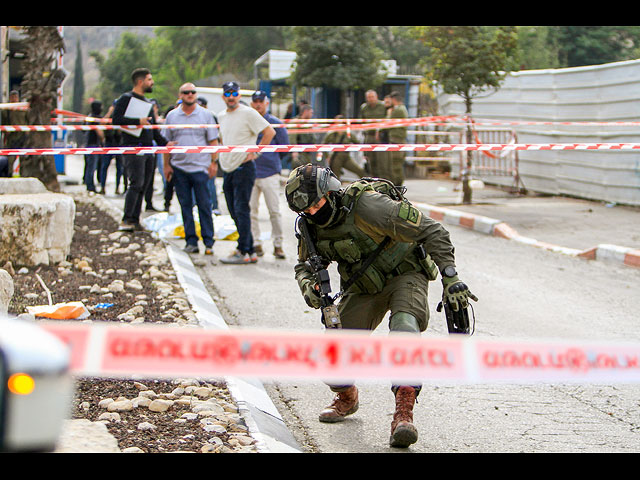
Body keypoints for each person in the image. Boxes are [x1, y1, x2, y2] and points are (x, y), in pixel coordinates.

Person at [284, 163, 477, 448]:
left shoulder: (368, 205)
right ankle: (347, 397)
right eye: (306, 210)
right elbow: (304, 266)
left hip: (405, 273)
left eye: (317, 204)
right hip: (364, 287)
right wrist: (309, 286)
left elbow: (432, 230)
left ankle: (403, 414)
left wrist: (451, 278)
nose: (314, 212)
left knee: (404, 330)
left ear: (331, 191)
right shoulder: (310, 226)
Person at [217, 81, 275, 265]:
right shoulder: (221, 116)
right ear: (223, 96)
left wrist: (256, 152)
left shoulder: (248, 112)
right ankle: (249, 249)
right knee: (234, 210)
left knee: (242, 209)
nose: (231, 97)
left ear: (239, 95)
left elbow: (269, 132)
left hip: (244, 168)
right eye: (228, 94)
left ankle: (243, 250)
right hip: (227, 168)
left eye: (234, 93)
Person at [112, 68, 171, 231]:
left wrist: (165, 143)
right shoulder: (126, 99)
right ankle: (127, 219)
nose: (152, 83)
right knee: (136, 183)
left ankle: (135, 219)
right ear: (140, 81)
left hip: (148, 148)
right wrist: (137, 121)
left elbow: (152, 128)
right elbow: (116, 120)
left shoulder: (147, 103)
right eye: (149, 79)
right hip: (132, 147)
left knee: (144, 184)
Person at [163, 82, 219, 255]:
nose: (190, 95)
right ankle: (191, 241)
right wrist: (166, 165)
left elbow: (213, 141)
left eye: (192, 92)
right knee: (185, 206)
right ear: (180, 95)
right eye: (186, 92)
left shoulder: (206, 115)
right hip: (179, 168)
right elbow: (167, 144)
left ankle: (208, 242)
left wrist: (213, 162)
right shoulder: (172, 117)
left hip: (200, 168)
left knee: (204, 205)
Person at [249, 90, 289, 260]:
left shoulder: (275, 123)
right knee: (251, 211)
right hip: (250, 172)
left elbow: (284, 148)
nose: (258, 104)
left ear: (267, 102)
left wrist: (271, 160)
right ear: (252, 103)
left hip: (270, 173)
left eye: (261, 101)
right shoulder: (249, 121)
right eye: (255, 101)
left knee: (274, 211)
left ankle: (278, 245)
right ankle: (255, 243)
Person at [321, 115, 365, 181]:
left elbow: (357, 142)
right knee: (336, 178)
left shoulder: (348, 134)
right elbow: (323, 145)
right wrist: (327, 157)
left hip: (346, 157)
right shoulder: (332, 134)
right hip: (336, 157)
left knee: (360, 171)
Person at [197, 96, 221, 215]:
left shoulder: (211, 117)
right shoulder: (195, 118)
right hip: (196, 159)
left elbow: (216, 139)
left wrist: (214, 160)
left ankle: (214, 206)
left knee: (210, 184)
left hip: (209, 157)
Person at [98, 102, 126, 194]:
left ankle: (117, 187)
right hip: (109, 142)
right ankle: (102, 187)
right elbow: (102, 123)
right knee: (105, 165)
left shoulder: (121, 116)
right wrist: (110, 112)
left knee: (120, 167)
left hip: (119, 143)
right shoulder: (109, 117)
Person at [359, 90, 387, 178]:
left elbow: (387, 119)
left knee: (381, 161)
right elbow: (362, 121)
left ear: (376, 97)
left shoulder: (383, 106)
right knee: (371, 160)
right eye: (368, 97)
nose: (370, 99)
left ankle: (383, 179)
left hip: (380, 136)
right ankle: (374, 179)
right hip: (369, 136)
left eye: (372, 97)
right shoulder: (364, 107)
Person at [0, 90, 28, 178]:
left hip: (22, 136)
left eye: (15, 97)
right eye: (12, 97)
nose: (14, 99)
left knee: (24, 157)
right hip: (11, 137)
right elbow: (3, 123)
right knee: (9, 158)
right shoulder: (6, 109)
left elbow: (28, 120)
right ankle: (8, 175)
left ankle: (24, 175)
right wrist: (5, 131)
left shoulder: (22, 109)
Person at [387, 92, 409, 186]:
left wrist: (389, 113)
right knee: (397, 164)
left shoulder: (398, 110)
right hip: (399, 139)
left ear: (394, 100)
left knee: (395, 164)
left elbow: (388, 122)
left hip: (396, 139)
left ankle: (397, 185)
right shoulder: (402, 109)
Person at [83, 100, 105, 193]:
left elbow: (83, 130)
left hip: (87, 144)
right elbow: (99, 132)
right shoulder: (95, 119)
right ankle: (90, 186)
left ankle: (88, 183)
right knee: (92, 167)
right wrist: (103, 139)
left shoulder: (88, 117)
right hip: (94, 145)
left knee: (89, 166)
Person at [289, 104, 319, 169]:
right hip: (300, 152)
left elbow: (313, 138)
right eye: (311, 112)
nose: (312, 114)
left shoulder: (308, 123)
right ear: (306, 111)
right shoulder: (296, 122)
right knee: (298, 172)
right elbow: (292, 137)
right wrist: (295, 150)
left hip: (307, 152)